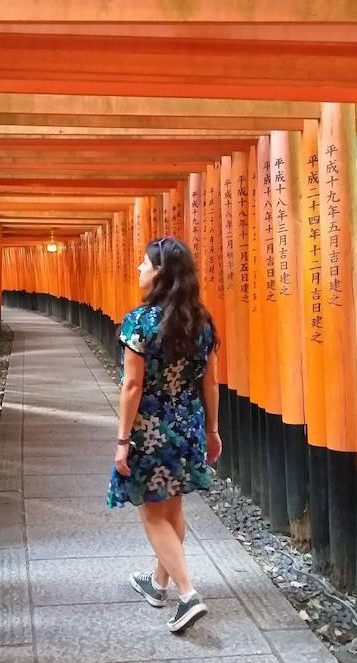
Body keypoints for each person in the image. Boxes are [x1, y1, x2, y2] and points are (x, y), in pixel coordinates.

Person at [107, 236, 222, 633]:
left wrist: (123, 441)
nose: (139, 269)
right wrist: (212, 430)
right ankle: (157, 584)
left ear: (160, 272)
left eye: (144, 263)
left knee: (153, 513)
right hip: (188, 424)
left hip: (150, 430)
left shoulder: (139, 322)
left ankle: (188, 595)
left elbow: (132, 387)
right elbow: (210, 383)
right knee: (172, 511)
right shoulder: (201, 322)